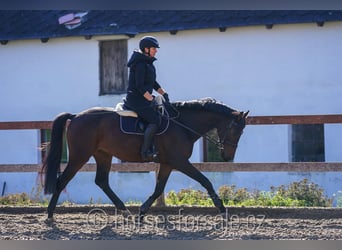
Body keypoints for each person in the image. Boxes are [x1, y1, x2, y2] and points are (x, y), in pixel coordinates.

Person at [124, 36, 170, 162]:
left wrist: (163, 93)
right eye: (154, 48)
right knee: (155, 120)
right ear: (146, 49)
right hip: (136, 101)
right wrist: (150, 99)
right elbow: (139, 86)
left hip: (143, 99)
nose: (156, 50)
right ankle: (145, 151)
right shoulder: (139, 64)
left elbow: (153, 83)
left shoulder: (148, 64)